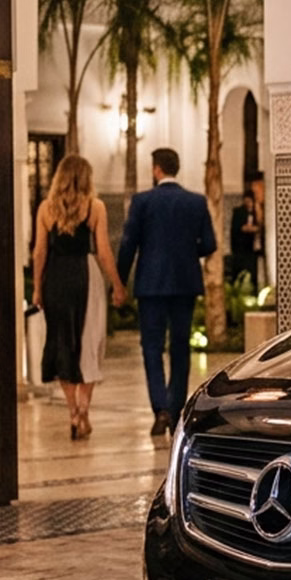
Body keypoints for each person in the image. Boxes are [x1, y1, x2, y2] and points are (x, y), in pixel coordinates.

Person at [118, 148, 217, 436]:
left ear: (156, 169)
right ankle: (175, 411)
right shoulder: (196, 202)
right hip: (184, 283)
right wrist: (187, 253)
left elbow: (128, 244)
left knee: (151, 347)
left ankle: (159, 408)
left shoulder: (142, 202)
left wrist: (120, 281)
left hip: (150, 284)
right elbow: (209, 244)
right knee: (180, 347)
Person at [31, 155, 129, 440]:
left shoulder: (45, 209)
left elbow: (39, 252)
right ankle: (84, 410)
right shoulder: (94, 207)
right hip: (86, 277)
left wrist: (37, 288)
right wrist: (118, 285)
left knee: (61, 342)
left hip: (56, 279)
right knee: (90, 343)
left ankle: (72, 409)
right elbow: (103, 251)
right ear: (86, 177)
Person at [229, 191, 263, 287]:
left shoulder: (255, 212)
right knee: (238, 271)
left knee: (253, 273)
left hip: (251, 248)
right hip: (240, 248)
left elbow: (259, 225)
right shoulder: (239, 212)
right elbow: (241, 228)